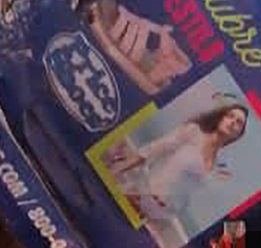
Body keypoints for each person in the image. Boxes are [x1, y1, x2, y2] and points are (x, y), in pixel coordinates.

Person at [105, 96, 249, 224]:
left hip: (156, 216)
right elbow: (151, 150)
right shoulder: (193, 131)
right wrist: (114, 171)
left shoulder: (216, 165)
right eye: (230, 116)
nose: (232, 122)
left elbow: (188, 194)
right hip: (139, 196)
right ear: (221, 117)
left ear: (238, 136)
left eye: (239, 122)